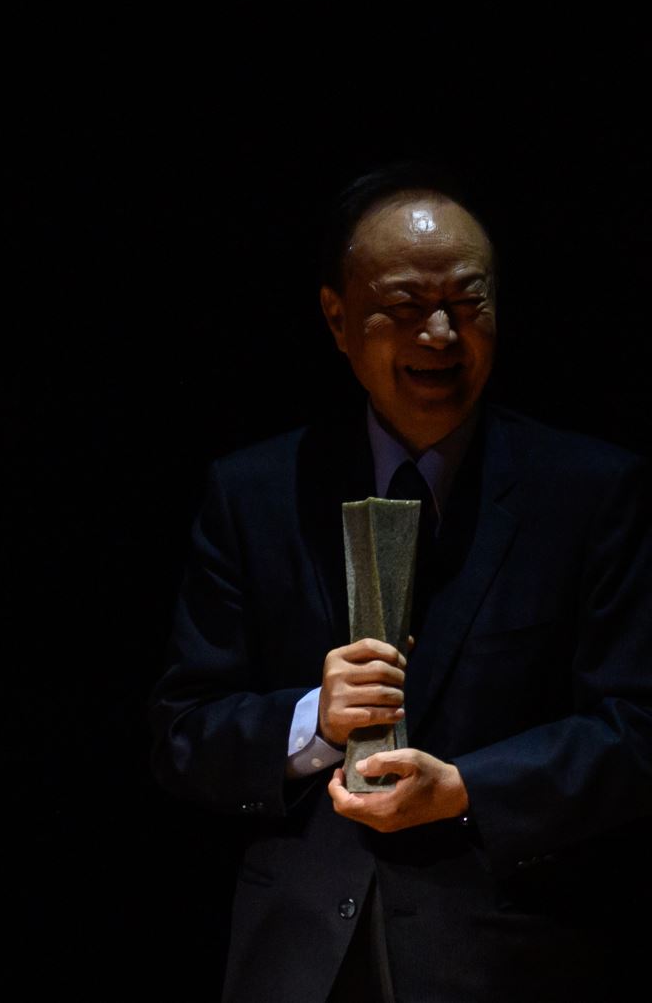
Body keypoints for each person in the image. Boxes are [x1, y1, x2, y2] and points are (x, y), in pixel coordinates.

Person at [150, 166, 652, 1002]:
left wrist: (466, 789)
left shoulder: (593, 492)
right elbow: (183, 733)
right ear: (337, 319)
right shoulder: (255, 492)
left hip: (510, 958)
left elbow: (637, 729)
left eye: (467, 300)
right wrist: (312, 721)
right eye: (407, 305)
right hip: (297, 962)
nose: (442, 333)